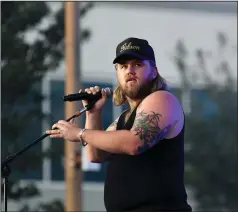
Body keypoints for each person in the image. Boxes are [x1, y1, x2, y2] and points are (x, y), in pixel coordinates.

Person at [46, 37, 192, 212]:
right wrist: (93, 112)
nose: (129, 70)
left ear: (154, 71)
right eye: (123, 66)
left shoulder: (162, 99)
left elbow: (135, 142)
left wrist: (80, 133)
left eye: (137, 64)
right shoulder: (124, 118)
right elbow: (95, 154)